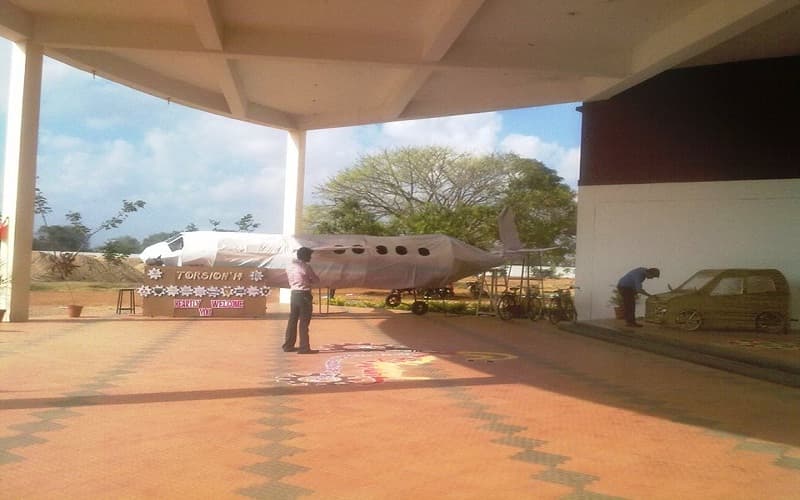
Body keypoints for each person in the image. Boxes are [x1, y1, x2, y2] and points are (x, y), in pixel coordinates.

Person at [283, 247, 320, 354]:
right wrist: (309, 281)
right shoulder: (306, 267)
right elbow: (316, 280)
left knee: (292, 320)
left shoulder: (290, 266)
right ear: (305, 256)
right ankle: (304, 347)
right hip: (304, 295)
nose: (311, 258)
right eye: (310, 256)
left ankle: (288, 345)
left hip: (294, 294)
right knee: (304, 322)